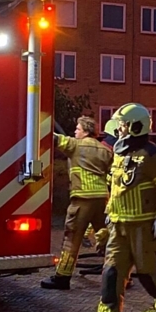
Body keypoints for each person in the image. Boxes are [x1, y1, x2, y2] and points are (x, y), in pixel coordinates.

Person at [86, 103, 156, 312]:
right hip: (118, 227)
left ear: (137, 126)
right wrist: (107, 217)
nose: (121, 129)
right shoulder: (119, 153)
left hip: (143, 228)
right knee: (111, 276)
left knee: (149, 275)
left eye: (124, 125)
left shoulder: (151, 154)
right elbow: (115, 189)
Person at [41, 115, 114, 290]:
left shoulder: (74, 144)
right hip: (102, 199)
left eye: (78, 129)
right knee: (108, 238)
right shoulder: (105, 150)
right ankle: (118, 275)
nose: (75, 132)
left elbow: (53, 138)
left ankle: (62, 277)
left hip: (82, 199)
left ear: (86, 131)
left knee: (71, 239)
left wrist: (41, 120)